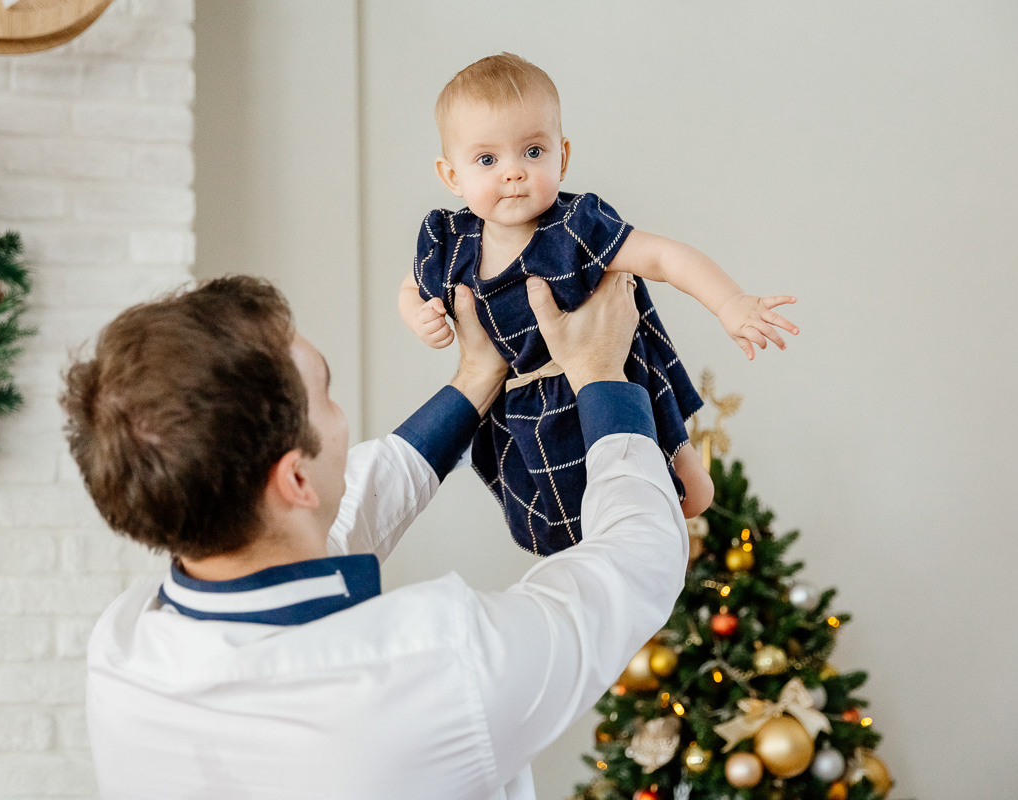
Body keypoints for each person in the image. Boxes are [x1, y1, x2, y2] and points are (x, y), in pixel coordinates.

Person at [64, 271, 689, 800]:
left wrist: (476, 378)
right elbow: (637, 561)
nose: (342, 418)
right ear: (295, 479)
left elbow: (338, 511)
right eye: (327, 396)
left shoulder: (123, 647)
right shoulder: (439, 669)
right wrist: (601, 373)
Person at [399, 52, 799, 556]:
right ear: (451, 176)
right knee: (562, 528)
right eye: (487, 160)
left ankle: (677, 479)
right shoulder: (450, 242)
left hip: (605, 378)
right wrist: (420, 316)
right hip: (524, 403)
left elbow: (662, 256)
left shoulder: (575, 228)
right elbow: (410, 288)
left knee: (690, 492)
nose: (513, 173)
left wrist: (731, 302)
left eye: (533, 152)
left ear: (562, 157)